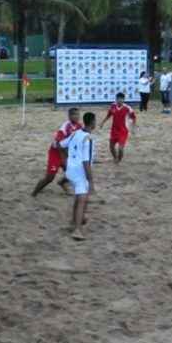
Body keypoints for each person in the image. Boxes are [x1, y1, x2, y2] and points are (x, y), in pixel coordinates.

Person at [60, 113, 96, 241]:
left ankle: (73, 222)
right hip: (80, 173)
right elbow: (86, 162)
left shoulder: (75, 133)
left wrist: (66, 160)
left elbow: (61, 144)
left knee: (80, 197)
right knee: (82, 200)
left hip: (70, 171)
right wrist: (91, 181)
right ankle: (77, 230)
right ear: (92, 123)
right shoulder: (89, 138)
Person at [31, 108, 82, 197]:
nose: (77, 117)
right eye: (75, 115)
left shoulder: (79, 126)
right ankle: (34, 193)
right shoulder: (65, 127)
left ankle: (62, 183)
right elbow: (59, 144)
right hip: (56, 152)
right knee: (50, 178)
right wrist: (65, 157)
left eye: (78, 114)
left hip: (66, 152)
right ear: (69, 116)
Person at [99, 92, 137, 164]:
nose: (119, 100)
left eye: (121, 99)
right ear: (116, 99)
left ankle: (118, 160)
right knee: (111, 147)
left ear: (123, 100)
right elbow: (109, 115)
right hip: (114, 130)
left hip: (123, 131)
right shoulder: (113, 106)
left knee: (120, 149)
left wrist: (133, 127)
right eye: (118, 99)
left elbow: (134, 118)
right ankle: (115, 158)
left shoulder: (128, 108)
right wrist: (102, 122)